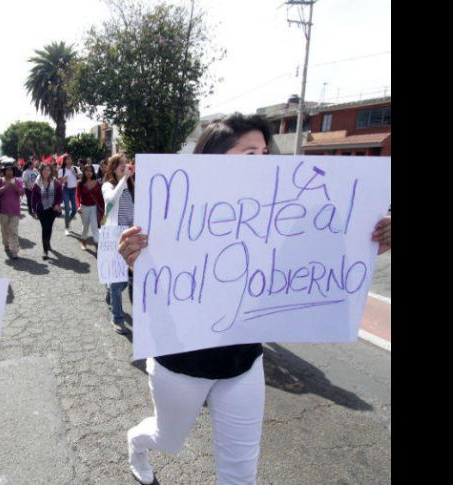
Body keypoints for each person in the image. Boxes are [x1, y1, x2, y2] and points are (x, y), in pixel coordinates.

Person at [118, 113, 392, 485]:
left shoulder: (276, 215)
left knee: (240, 472)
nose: (261, 163)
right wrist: (137, 262)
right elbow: (157, 295)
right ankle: (137, 442)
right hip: (180, 366)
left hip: (243, 363)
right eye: (250, 153)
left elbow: (316, 264)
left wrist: (368, 241)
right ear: (213, 158)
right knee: (167, 440)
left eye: (265, 153)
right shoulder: (173, 210)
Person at [101, 153, 135, 335]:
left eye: (126, 163)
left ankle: (110, 291)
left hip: (129, 237)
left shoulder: (130, 186)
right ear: (113, 168)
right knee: (117, 281)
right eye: (120, 164)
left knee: (124, 280)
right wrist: (124, 180)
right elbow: (112, 200)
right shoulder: (108, 185)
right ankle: (118, 318)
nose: (124, 166)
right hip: (113, 237)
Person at [30, 164, 63, 260]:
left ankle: (47, 243)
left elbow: (60, 194)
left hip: (52, 209)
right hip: (41, 209)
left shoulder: (55, 182)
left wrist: (57, 203)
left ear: (51, 171)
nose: (46, 172)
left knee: (49, 227)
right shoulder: (37, 183)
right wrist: (33, 209)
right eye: (44, 170)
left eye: (48, 170)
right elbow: (33, 197)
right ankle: (45, 250)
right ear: (41, 171)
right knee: (45, 228)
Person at [0, 162, 24, 259]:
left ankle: (14, 251)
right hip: (3, 210)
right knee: (4, 230)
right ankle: (6, 245)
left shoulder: (18, 180)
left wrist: (14, 187)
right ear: (4, 171)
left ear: (13, 171)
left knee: (13, 230)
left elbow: (22, 192)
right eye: (7, 170)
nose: (9, 171)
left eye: (11, 170)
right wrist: (5, 187)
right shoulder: (0, 180)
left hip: (15, 210)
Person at [76, 163, 103, 251]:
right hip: (84, 208)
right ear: (84, 172)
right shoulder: (80, 183)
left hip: (94, 208)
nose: (89, 172)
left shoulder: (97, 183)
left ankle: (97, 247)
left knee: (94, 227)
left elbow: (100, 198)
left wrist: (103, 210)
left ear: (93, 172)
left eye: (91, 171)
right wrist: (79, 206)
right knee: (85, 227)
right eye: (87, 170)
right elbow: (77, 196)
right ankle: (83, 241)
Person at [57, 154, 81, 235]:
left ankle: (68, 221)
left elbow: (82, 177)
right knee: (67, 209)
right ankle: (67, 228)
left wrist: (76, 175)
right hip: (66, 190)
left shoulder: (75, 168)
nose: (69, 161)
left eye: (70, 159)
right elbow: (60, 182)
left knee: (74, 209)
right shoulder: (62, 170)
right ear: (64, 161)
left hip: (74, 190)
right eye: (67, 159)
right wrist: (64, 179)